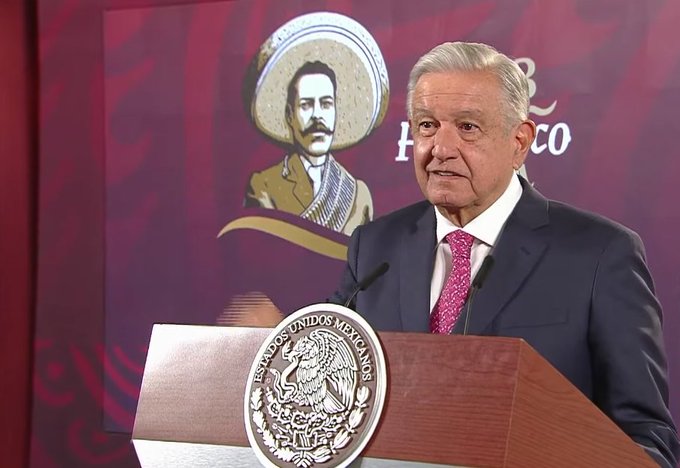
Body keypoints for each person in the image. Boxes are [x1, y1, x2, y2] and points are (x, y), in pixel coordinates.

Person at [330, 41, 679, 467]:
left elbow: (647, 441)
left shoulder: (600, 255)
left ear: (520, 141)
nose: (440, 148)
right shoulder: (374, 248)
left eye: (467, 127)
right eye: (426, 125)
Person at [245, 61, 373, 235]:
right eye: (306, 105)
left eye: (326, 104)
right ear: (289, 115)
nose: (317, 116)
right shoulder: (264, 186)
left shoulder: (358, 195)